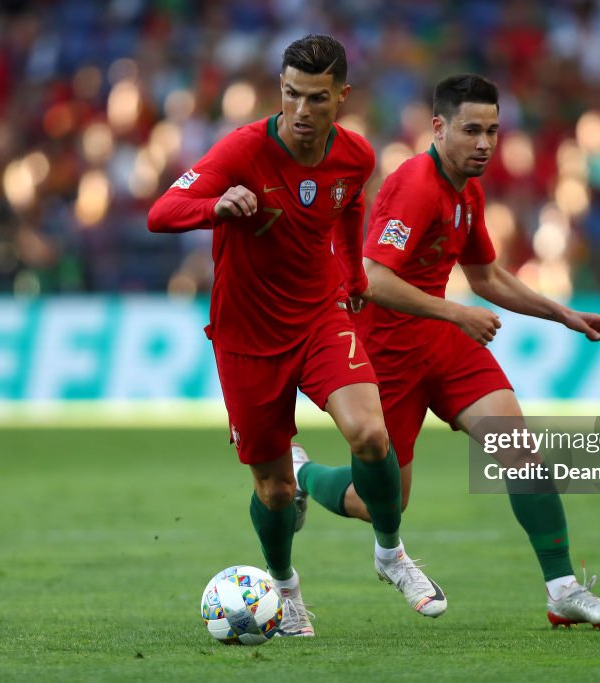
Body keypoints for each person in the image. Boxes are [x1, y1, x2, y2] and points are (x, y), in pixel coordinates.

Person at [293, 73, 600, 628]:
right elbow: (373, 279)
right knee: (380, 503)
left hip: (445, 345)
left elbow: (487, 276)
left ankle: (563, 589)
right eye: (472, 130)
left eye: (493, 131)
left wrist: (562, 314)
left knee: (519, 448)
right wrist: (455, 310)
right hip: (385, 355)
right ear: (439, 127)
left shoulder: (466, 190)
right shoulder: (415, 185)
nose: (484, 144)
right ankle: (303, 475)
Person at [147, 35, 446, 637]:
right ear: (278, 91)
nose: (301, 111)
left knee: (369, 433)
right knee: (276, 489)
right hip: (246, 338)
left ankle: (391, 556)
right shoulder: (242, 151)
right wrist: (215, 207)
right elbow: (160, 213)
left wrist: (357, 274)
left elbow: (350, 209)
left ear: (342, 96)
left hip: (319, 318)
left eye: (315, 98)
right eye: (290, 95)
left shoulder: (355, 155)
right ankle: (284, 589)